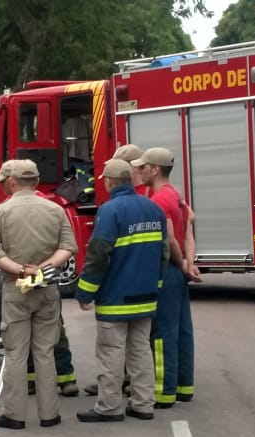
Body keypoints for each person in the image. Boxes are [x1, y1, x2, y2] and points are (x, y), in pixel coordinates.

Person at [0, 174, 80, 398]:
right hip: (45, 277)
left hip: (22, 279)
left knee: (24, 334)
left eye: (3, 181)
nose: (1, 185)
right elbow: (67, 245)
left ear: (13, 181)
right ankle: (65, 378)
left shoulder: (12, 205)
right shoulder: (45, 203)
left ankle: (36, 381)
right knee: (54, 330)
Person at [0, 159, 77, 429]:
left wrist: (23, 270)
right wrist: (45, 268)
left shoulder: (1, 212)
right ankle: (50, 414)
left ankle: (15, 415)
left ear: (12, 181)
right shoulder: (55, 210)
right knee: (45, 352)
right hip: (47, 288)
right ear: (36, 181)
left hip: (16, 287)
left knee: (16, 353)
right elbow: (68, 246)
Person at [75, 159, 167, 422]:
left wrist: (85, 292)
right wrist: (157, 285)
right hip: (146, 297)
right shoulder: (153, 208)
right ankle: (143, 404)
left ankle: (109, 407)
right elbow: (162, 253)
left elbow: (98, 256)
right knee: (140, 351)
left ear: (109, 182)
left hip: (116, 299)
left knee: (111, 353)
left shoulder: (109, 211)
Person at [131, 147, 198, 408]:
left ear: (155, 169)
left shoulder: (158, 200)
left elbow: (169, 239)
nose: (140, 171)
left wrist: (180, 262)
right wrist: (189, 263)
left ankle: (164, 392)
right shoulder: (175, 194)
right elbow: (190, 223)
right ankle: (184, 386)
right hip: (178, 272)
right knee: (182, 330)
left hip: (167, 270)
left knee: (162, 333)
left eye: (143, 167)